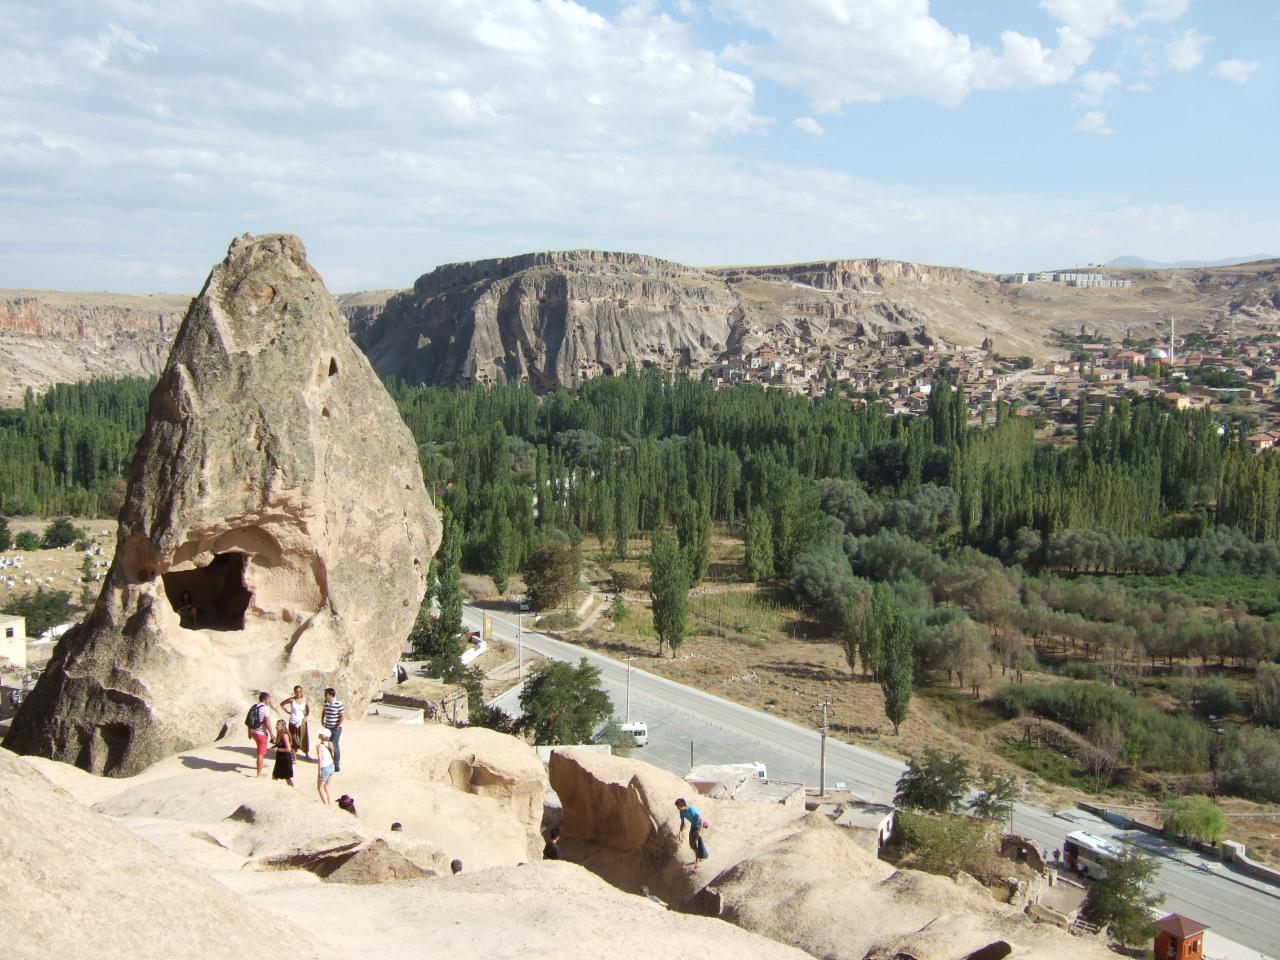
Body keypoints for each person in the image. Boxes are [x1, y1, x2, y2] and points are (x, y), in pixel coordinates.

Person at [246, 691, 277, 778]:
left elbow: (249, 720)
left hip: (253, 732)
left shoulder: (254, 706)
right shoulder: (265, 708)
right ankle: (259, 774)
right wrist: (272, 735)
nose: (269, 700)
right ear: (264, 699)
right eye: (268, 699)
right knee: (261, 754)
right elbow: (267, 723)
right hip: (261, 734)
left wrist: (249, 732)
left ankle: (261, 764)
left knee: (259, 749)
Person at [674, 798, 709, 870]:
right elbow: (682, 822)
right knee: (691, 845)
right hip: (693, 826)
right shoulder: (681, 812)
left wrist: (700, 831)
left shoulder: (691, 810)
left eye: (678, 807)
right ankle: (699, 857)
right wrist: (680, 832)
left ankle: (697, 862)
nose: (677, 808)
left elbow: (701, 819)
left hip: (698, 826)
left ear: (681, 806)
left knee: (695, 844)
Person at [280, 685, 310, 759]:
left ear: (301, 692)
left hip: (302, 722)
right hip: (293, 722)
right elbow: (282, 704)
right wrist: (287, 711)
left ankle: (307, 754)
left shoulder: (304, 699)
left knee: (304, 738)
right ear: (294, 692)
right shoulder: (292, 700)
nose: (298, 693)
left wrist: (306, 716)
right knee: (293, 739)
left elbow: (307, 709)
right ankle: (294, 758)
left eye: (299, 691)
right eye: (296, 691)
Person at [322, 687, 345, 772]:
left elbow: (342, 716)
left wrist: (337, 726)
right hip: (327, 727)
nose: (325, 695)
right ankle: (329, 761)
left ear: (330, 695)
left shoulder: (338, 703)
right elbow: (324, 711)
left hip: (335, 728)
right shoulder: (326, 702)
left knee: (335, 746)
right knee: (328, 744)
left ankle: (336, 765)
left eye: (326, 694)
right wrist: (322, 719)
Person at [271, 720, 294, 786]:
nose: (276, 726)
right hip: (280, 758)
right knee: (275, 775)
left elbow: (288, 749)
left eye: (278, 725)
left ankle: (292, 790)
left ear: (282, 726)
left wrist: (278, 749)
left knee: (287, 778)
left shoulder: (284, 735)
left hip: (285, 759)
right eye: (276, 724)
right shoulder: (279, 733)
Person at [316, 730, 336, 804]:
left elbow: (320, 759)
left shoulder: (319, 746)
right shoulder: (330, 743)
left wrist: (319, 770)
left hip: (325, 767)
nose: (320, 734)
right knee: (327, 786)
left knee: (320, 788)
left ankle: (325, 804)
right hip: (331, 766)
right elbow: (332, 755)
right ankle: (330, 802)